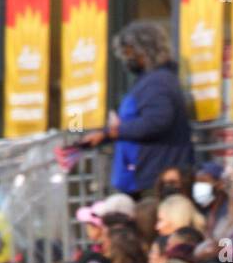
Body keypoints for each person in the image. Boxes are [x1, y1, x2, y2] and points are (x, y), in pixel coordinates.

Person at [82, 21, 194, 197]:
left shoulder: (158, 82)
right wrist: (105, 134)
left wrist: (113, 133)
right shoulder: (149, 81)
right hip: (142, 176)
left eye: (129, 52)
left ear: (145, 51)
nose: (127, 58)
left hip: (153, 178)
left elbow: (156, 121)